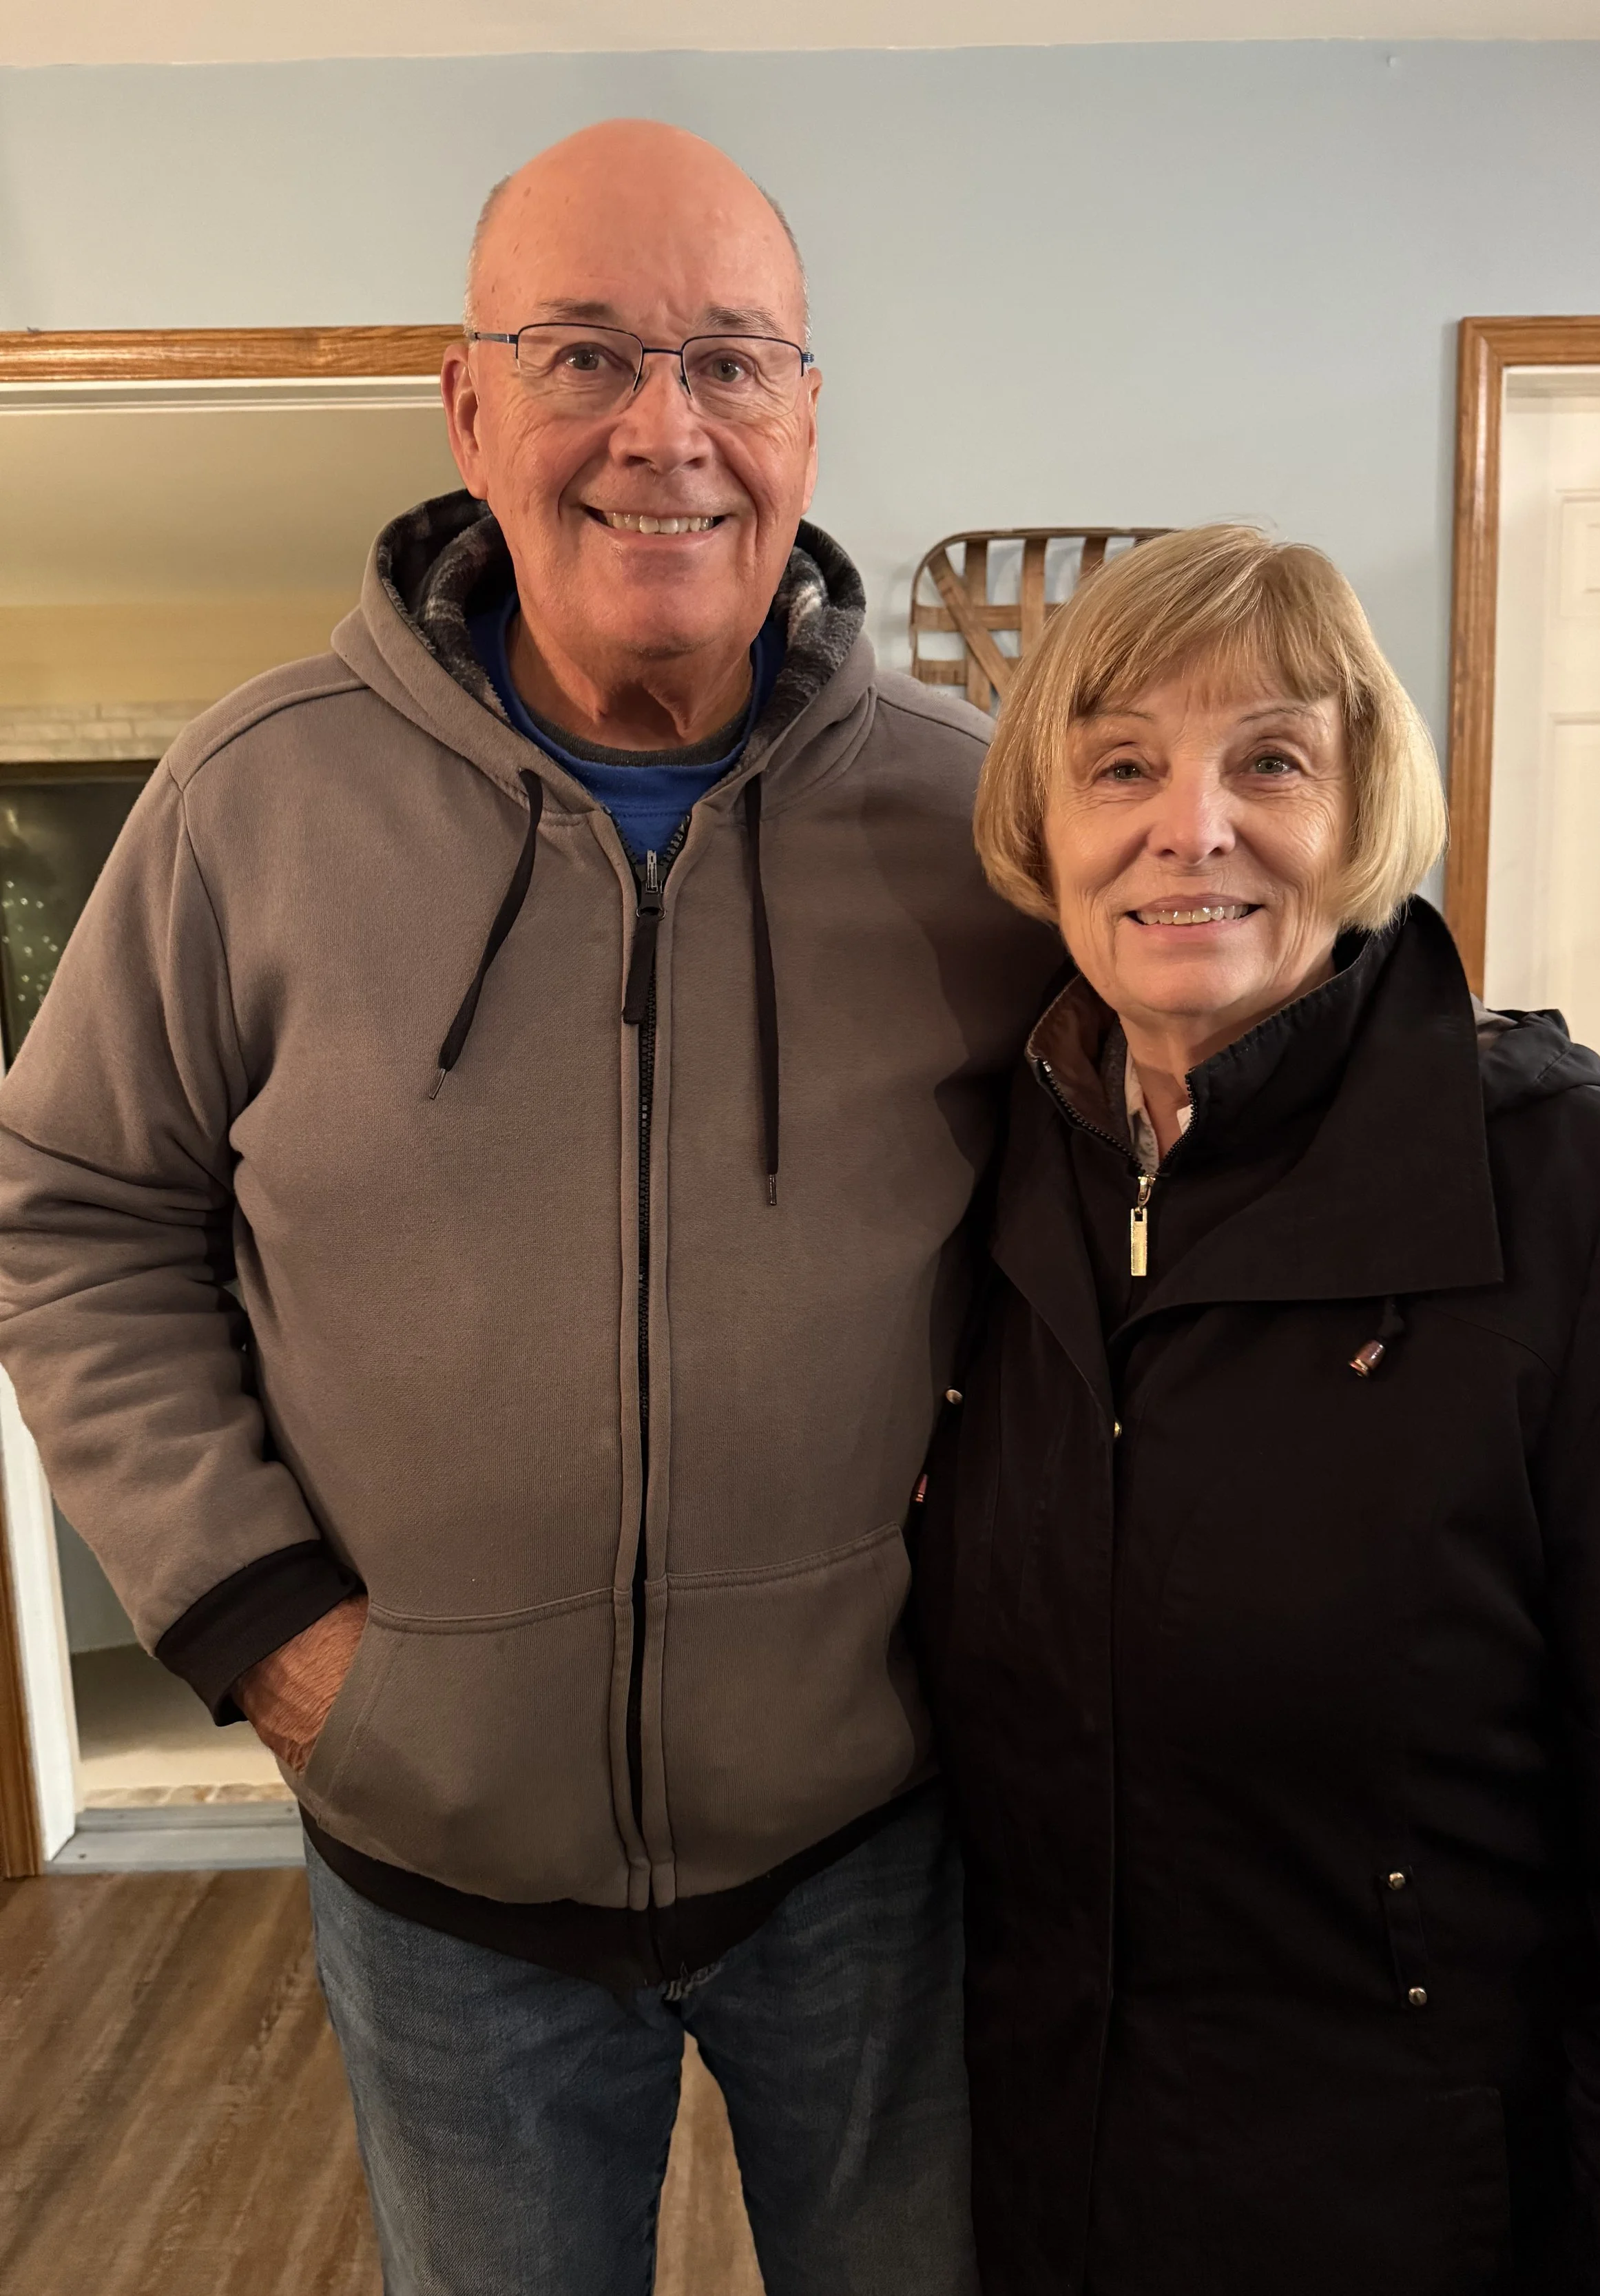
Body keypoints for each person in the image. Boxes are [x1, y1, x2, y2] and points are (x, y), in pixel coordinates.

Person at [0, 121, 1054, 2295]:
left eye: (730, 361)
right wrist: (261, 1626)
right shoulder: (252, 800)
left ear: (806, 417)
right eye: (585, 355)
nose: (662, 430)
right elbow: (71, 1202)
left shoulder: (972, 823)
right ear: (468, 410)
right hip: (434, 1875)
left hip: (872, 1842)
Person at [913, 524, 1600, 2296]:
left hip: (1426, 2218)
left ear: (1359, 813)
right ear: (1040, 828)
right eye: (1118, 762)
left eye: (1268, 759)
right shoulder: (985, 1187)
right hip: (1035, 2191)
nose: (1186, 824)